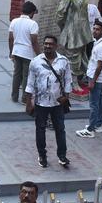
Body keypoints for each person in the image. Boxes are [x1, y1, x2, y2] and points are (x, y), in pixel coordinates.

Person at [24, 36, 73, 169]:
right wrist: (29, 102)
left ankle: (62, 156)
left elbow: (68, 80)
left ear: (56, 46)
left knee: (60, 129)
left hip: (58, 103)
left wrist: (66, 96)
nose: (47, 46)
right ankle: (42, 155)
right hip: (41, 103)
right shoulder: (35, 62)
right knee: (40, 130)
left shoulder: (63, 61)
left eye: (50, 44)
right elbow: (30, 83)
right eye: (45, 44)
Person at [75, 21, 102, 138]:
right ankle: (97, 125)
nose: (94, 31)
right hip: (97, 77)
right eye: (94, 28)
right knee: (99, 102)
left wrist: (92, 81)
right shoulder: (99, 43)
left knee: (94, 104)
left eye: (97, 29)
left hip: (96, 78)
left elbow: (99, 65)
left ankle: (90, 130)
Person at [9, 2, 41, 104]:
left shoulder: (14, 21)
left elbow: (10, 39)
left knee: (16, 74)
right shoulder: (33, 24)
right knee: (27, 76)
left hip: (16, 51)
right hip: (27, 53)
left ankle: (14, 96)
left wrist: (11, 52)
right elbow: (34, 41)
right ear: (31, 13)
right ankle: (24, 98)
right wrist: (40, 55)